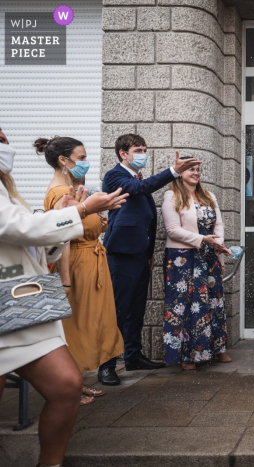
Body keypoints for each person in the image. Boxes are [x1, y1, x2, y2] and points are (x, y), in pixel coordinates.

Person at [0, 128, 127, 466]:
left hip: (18, 304)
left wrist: (72, 218)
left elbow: (36, 246)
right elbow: (19, 228)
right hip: (8, 302)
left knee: (67, 385)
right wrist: (83, 209)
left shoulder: (7, 190)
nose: (6, 147)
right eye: (0, 142)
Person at [99, 134, 201, 385]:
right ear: (123, 153)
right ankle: (106, 365)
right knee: (118, 310)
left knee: (136, 310)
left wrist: (148, 254)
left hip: (139, 256)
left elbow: (148, 219)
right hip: (120, 255)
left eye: (144, 149)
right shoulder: (115, 176)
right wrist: (173, 172)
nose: (143, 153)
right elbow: (139, 190)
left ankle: (133, 356)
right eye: (138, 149)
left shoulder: (137, 178)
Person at [37, 136, 124, 405]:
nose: (86, 163)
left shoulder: (73, 188)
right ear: (64, 160)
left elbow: (80, 225)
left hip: (91, 259)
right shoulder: (60, 193)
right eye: (82, 158)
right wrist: (65, 280)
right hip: (77, 265)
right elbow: (61, 238)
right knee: (75, 327)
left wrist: (99, 223)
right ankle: (70, 387)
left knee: (90, 324)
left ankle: (76, 384)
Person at [161, 165, 232, 370]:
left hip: (209, 255)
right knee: (185, 303)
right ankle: (188, 355)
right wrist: (203, 239)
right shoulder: (171, 195)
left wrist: (218, 248)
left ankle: (217, 349)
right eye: (190, 169)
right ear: (180, 173)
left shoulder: (208, 195)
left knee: (213, 301)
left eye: (198, 169)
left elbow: (218, 225)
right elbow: (173, 230)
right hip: (182, 257)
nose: (195, 172)